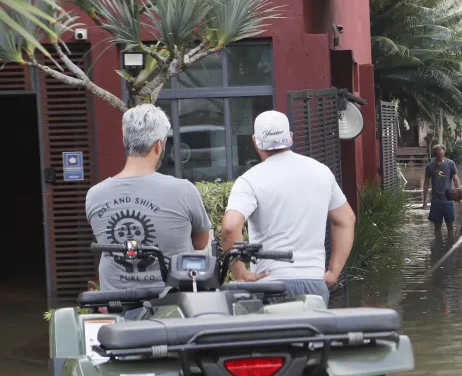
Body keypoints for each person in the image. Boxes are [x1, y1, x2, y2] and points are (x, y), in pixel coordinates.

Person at [221, 110, 356, 306]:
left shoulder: (250, 180)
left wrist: (240, 274)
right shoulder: (321, 172)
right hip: (314, 283)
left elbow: (230, 227)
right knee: (313, 336)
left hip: (270, 285)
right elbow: (346, 219)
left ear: (255, 141)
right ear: (290, 137)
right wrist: (334, 271)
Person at [85, 104, 212, 291]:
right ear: (159, 145)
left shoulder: (95, 195)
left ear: (124, 141)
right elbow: (200, 243)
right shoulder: (184, 191)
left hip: (116, 305)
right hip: (173, 305)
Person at [422, 144, 460, 236]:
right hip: (436, 201)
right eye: (440, 155)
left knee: (450, 226)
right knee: (437, 227)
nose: (442, 157)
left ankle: (450, 244)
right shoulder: (430, 166)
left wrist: (459, 194)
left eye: (443, 155)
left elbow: (455, 179)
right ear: (435, 155)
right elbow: (426, 183)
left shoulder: (450, 163)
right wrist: (425, 200)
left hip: (448, 200)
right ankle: (438, 246)